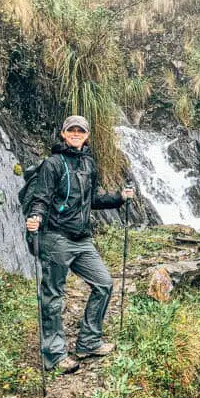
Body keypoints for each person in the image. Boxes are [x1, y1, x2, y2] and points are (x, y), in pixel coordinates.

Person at [26, 115, 134, 373]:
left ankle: (88, 342)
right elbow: (41, 197)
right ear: (63, 134)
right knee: (53, 295)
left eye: (80, 131)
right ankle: (54, 355)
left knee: (104, 284)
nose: (75, 134)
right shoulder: (52, 164)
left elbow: (91, 200)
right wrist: (36, 217)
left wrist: (119, 198)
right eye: (71, 130)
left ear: (87, 135)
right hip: (56, 237)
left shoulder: (89, 164)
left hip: (82, 239)